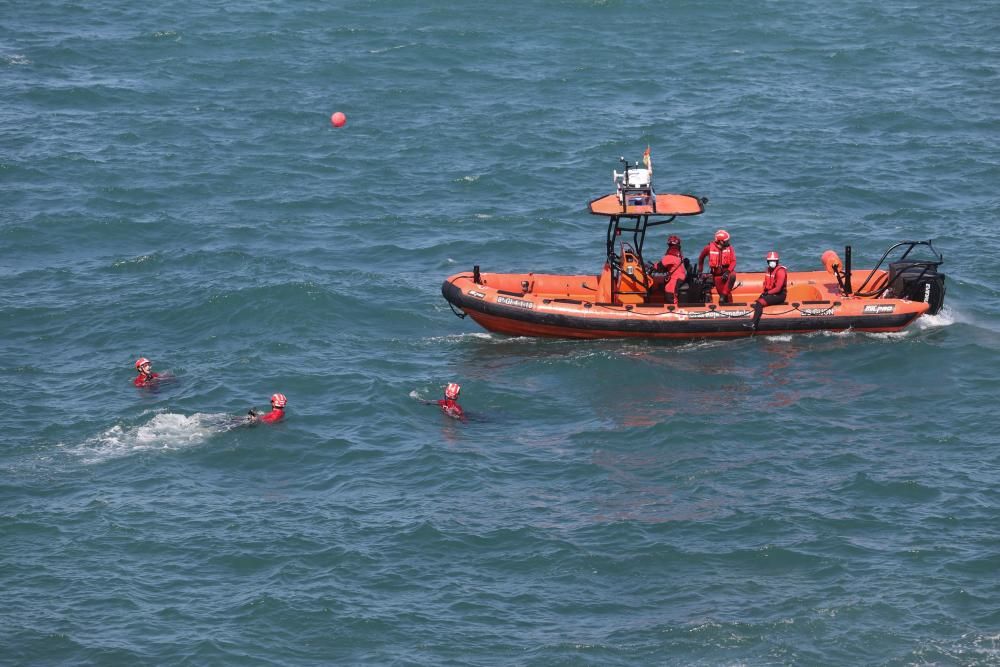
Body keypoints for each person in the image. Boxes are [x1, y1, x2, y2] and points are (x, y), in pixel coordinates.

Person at [750, 251, 788, 331]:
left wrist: (767, 293)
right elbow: (766, 284)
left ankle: (753, 323)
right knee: (758, 300)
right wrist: (764, 293)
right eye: (770, 261)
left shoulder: (780, 271)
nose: (772, 262)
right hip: (771, 294)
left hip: (780, 295)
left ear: (777, 261)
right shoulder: (768, 270)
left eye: (774, 261)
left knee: (760, 302)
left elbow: (778, 288)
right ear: (768, 262)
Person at [697, 229, 737, 304]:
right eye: (726, 241)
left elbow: (733, 261)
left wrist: (728, 272)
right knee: (723, 296)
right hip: (717, 276)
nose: (728, 242)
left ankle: (728, 304)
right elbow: (701, 258)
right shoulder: (708, 248)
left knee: (731, 278)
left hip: (727, 274)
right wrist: (700, 270)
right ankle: (723, 306)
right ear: (721, 241)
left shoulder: (730, 248)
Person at [652, 234, 687, 304]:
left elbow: (659, 267)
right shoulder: (679, 254)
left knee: (669, 292)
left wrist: (653, 266)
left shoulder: (670, 255)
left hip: (676, 277)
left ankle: (674, 308)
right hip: (681, 276)